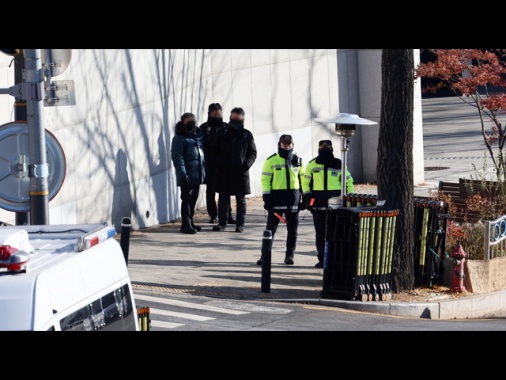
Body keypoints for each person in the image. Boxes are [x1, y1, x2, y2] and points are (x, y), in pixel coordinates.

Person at [301, 140, 354, 268]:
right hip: (318, 206)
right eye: (322, 148)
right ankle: (322, 259)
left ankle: (335, 259)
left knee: (337, 234)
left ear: (332, 149)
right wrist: (307, 197)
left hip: (336, 206)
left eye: (327, 148)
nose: (325, 150)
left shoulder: (339, 164)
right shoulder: (312, 164)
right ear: (319, 149)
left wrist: (350, 199)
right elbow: (305, 183)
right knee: (320, 234)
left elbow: (349, 182)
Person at [256, 134, 305, 266]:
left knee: (293, 230)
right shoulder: (271, 161)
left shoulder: (298, 160)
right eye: (285, 144)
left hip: (293, 199)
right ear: (279, 144)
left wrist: (305, 197)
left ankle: (289, 256)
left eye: (289, 144)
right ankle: (264, 256)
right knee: (270, 229)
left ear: (293, 145)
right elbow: (265, 180)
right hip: (276, 200)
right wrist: (267, 197)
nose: (287, 146)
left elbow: (304, 180)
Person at [212, 107, 257, 233]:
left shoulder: (246, 134)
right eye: (234, 117)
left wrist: (246, 165)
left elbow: (252, 152)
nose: (236, 120)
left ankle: (240, 224)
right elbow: (214, 150)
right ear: (230, 117)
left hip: (240, 172)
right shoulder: (222, 132)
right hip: (224, 171)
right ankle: (222, 223)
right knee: (223, 198)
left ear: (243, 118)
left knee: (241, 199)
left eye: (239, 118)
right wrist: (218, 164)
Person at [199, 103, 235, 224]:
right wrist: (216, 136)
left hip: (224, 164)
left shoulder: (226, 126)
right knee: (211, 191)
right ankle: (213, 215)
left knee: (225, 191)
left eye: (219, 114)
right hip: (209, 164)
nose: (217, 116)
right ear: (209, 114)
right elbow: (201, 143)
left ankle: (227, 214)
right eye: (215, 114)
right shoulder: (203, 128)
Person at [171, 112, 206, 234]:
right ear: (183, 121)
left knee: (193, 199)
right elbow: (177, 157)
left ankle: (190, 221)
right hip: (187, 175)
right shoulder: (179, 138)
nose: (191, 121)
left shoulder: (197, 136)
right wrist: (182, 173)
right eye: (188, 119)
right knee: (186, 199)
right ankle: (185, 224)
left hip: (197, 174)